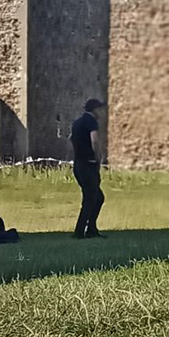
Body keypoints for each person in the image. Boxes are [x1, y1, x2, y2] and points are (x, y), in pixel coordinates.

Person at [71, 98, 106, 238]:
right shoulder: (91, 122)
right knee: (91, 199)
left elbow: (72, 140)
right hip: (88, 164)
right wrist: (98, 157)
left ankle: (91, 228)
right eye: (100, 109)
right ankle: (80, 231)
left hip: (78, 164)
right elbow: (95, 140)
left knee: (97, 197)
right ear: (95, 110)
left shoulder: (77, 123)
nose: (102, 112)